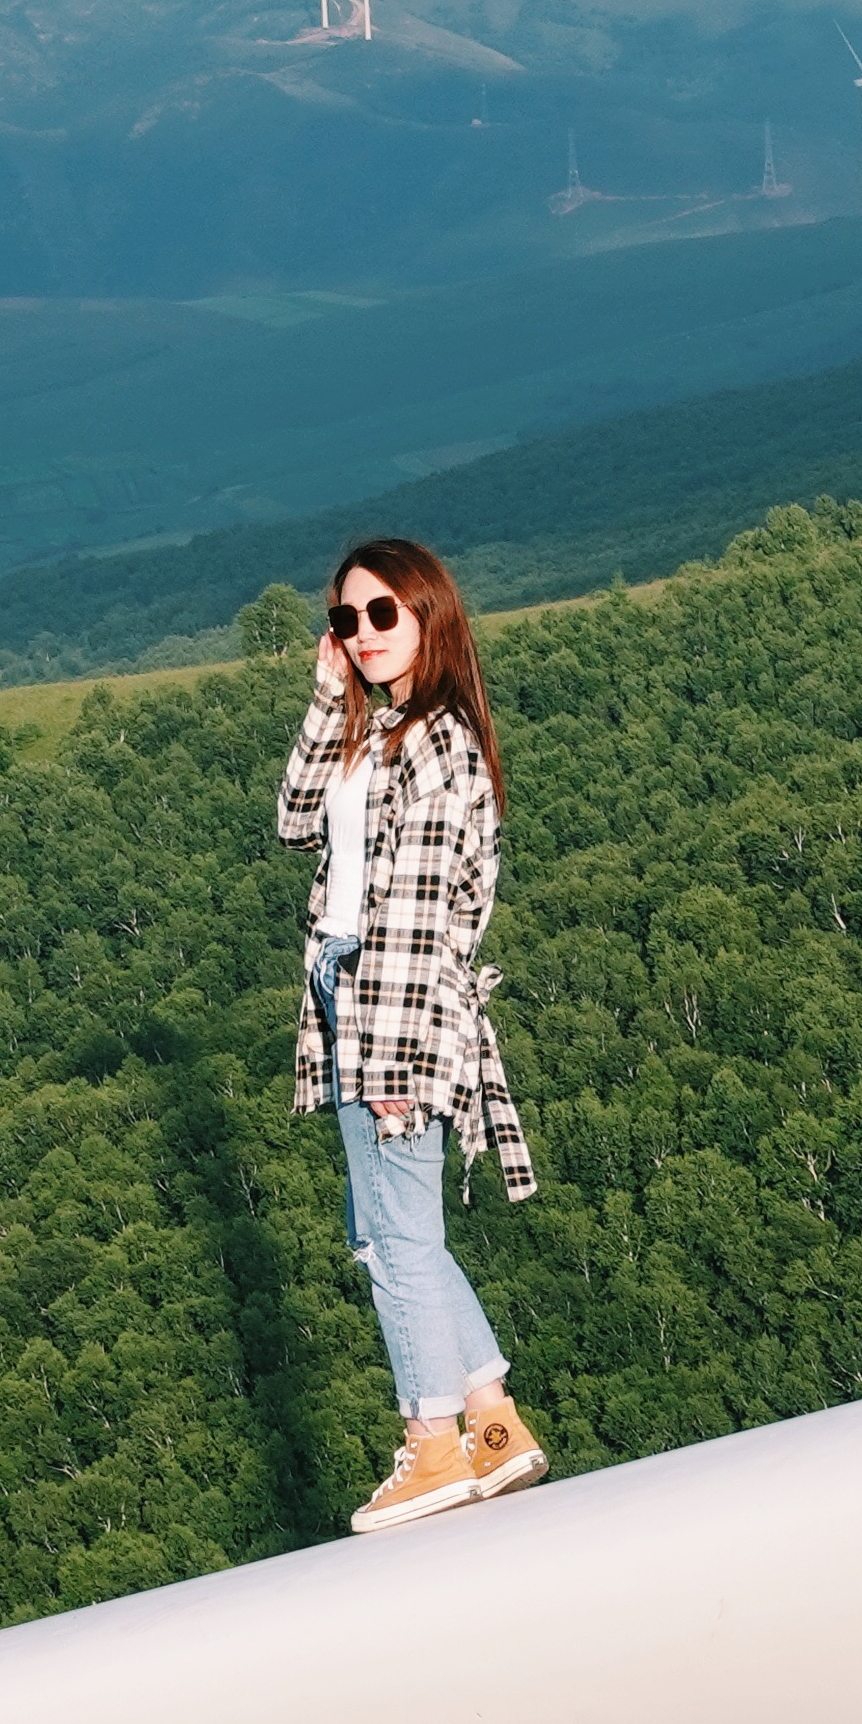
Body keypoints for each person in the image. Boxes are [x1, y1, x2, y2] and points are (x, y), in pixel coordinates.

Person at [276, 534, 544, 1532]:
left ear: (429, 617)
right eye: (348, 619)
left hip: (393, 999)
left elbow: (422, 910)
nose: (364, 634)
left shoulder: (436, 740)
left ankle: (433, 1446)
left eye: (383, 614)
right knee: (386, 1232)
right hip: (348, 989)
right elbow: (296, 820)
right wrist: (325, 690)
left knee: (397, 1238)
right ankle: (490, 1422)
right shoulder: (378, 731)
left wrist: (389, 1054)